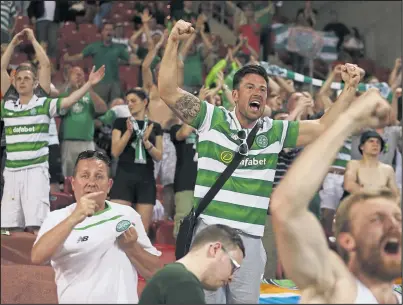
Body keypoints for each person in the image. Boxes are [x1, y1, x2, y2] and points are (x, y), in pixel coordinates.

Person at [158, 19, 364, 304]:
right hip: (211, 234)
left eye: (263, 89)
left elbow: (321, 127)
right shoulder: (211, 118)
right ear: (234, 95)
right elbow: (168, 90)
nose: (258, 92)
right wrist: (173, 42)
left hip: (252, 241)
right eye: (250, 87)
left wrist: (350, 88)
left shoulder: (275, 131)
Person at [270, 88, 401, 303]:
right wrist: (350, 118)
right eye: (376, 219)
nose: (393, 225)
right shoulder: (338, 288)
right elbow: (286, 208)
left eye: (398, 218)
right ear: (348, 241)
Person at [31, 150, 161, 303]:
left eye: (99, 176)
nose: (91, 183)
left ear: (109, 185)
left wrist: (131, 248)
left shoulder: (127, 215)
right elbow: (37, 257)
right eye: (85, 176)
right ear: (73, 183)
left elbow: (156, 273)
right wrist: (74, 217)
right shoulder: (57, 218)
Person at [139, 224, 245, 304]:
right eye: (233, 267)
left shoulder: (173, 276)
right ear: (215, 249)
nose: (231, 277)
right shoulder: (183, 283)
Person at [110, 88, 163, 234]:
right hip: (124, 176)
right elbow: (115, 151)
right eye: (128, 102)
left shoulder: (155, 127)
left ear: (145, 102)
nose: (130, 104)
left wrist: (146, 143)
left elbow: (159, 156)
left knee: (141, 232)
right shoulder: (120, 123)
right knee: (116, 228)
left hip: (146, 179)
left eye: (133, 101)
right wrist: (128, 132)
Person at [59, 66, 108, 177]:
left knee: (89, 174)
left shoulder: (89, 94)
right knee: (69, 175)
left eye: (81, 74)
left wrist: (88, 87)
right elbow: (57, 105)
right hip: (69, 142)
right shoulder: (65, 93)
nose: (78, 76)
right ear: (67, 77)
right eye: (74, 73)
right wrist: (70, 87)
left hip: (87, 141)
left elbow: (103, 108)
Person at [344, 130, 400, 198]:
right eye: (371, 141)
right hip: (358, 204)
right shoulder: (354, 164)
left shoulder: (388, 169)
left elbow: (395, 195)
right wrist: (373, 199)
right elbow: (349, 185)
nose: (375, 144)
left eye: (378, 142)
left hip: (381, 206)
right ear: (362, 147)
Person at [170, 122, 198, 237]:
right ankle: (182, 253)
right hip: (186, 181)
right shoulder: (176, 128)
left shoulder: (210, 126)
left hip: (208, 182)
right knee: (183, 221)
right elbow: (185, 132)